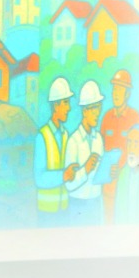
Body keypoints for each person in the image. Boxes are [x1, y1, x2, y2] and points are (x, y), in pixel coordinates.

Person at [64, 79, 110, 225]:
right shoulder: (73, 142)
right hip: (78, 205)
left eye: (99, 108)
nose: (97, 114)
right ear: (85, 110)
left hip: (96, 202)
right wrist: (85, 170)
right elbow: (69, 185)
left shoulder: (99, 140)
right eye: (93, 109)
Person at [34, 77, 79, 225]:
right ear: (56, 105)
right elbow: (39, 178)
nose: (69, 108)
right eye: (66, 102)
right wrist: (63, 175)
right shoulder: (42, 136)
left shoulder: (66, 135)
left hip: (64, 209)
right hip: (46, 213)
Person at [100, 69, 139, 223]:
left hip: (127, 188)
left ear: (127, 94)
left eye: (120, 89)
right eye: (114, 89)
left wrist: (124, 171)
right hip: (108, 188)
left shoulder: (135, 118)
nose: (115, 94)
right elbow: (101, 151)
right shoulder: (106, 118)